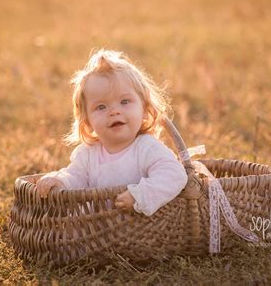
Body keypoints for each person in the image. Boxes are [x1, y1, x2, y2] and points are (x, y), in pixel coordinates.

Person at [34, 49, 187, 216]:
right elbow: (75, 177)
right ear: (87, 121)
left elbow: (174, 175)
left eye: (125, 101)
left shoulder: (147, 148)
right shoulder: (87, 154)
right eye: (101, 107)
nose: (114, 111)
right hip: (96, 235)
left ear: (144, 109)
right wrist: (59, 182)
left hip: (141, 231)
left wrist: (140, 196)